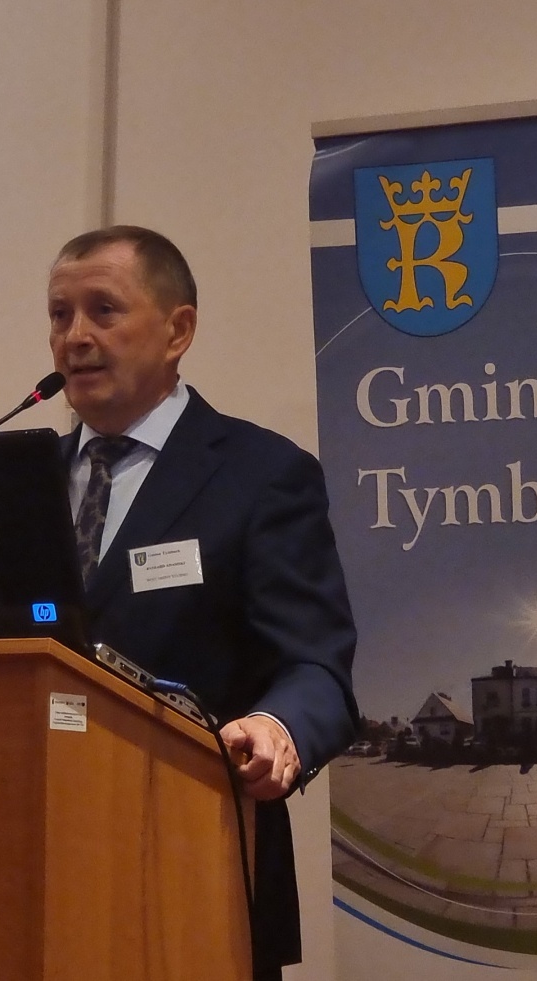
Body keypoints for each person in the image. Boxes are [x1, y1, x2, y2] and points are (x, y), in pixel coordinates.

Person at [45, 225, 360, 979]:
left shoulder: (260, 475)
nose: (75, 337)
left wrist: (278, 727)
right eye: (59, 315)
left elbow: (317, 667)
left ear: (178, 330)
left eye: (103, 310)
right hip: (37, 870)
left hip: (199, 869)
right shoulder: (17, 486)